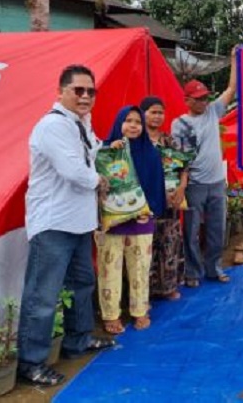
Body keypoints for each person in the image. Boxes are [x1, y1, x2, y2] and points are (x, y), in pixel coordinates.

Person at [18, 65, 115, 386]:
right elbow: (74, 170)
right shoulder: (52, 126)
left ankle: (78, 340)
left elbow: (93, 155)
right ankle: (31, 363)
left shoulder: (80, 125)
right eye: (79, 90)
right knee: (43, 295)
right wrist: (99, 179)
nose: (86, 96)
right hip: (54, 223)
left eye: (91, 91)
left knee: (82, 285)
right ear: (61, 92)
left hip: (78, 222)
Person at [172, 47, 238, 286]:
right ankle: (192, 272)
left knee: (217, 229)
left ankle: (214, 268)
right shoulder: (179, 124)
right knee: (191, 230)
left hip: (217, 183)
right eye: (198, 98)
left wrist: (234, 60)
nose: (204, 101)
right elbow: (180, 160)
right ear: (187, 100)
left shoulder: (212, 113)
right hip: (195, 185)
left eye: (205, 97)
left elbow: (231, 89)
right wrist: (182, 186)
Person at [96, 106, 166, 334]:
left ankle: (139, 310)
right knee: (109, 270)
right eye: (128, 120)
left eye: (137, 121)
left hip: (141, 219)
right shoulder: (104, 153)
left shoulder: (150, 152)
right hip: (112, 221)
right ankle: (110, 315)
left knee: (140, 269)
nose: (133, 125)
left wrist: (152, 210)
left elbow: (157, 185)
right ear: (118, 124)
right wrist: (110, 152)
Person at [141, 96, 188, 301]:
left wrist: (182, 188)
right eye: (153, 112)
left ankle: (168, 286)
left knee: (169, 241)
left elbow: (184, 166)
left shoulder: (170, 141)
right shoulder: (136, 142)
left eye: (161, 112)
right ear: (142, 114)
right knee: (146, 247)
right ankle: (145, 293)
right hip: (144, 204)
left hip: (170, 203)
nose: (158, 116)